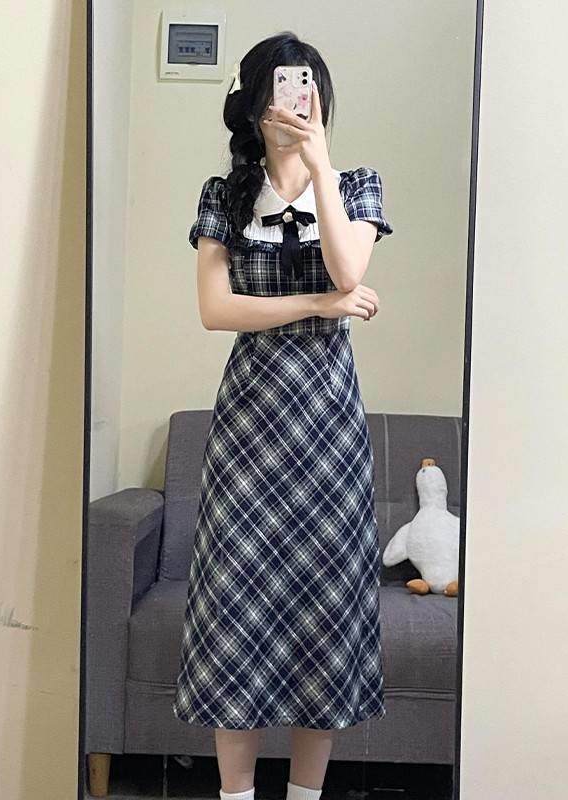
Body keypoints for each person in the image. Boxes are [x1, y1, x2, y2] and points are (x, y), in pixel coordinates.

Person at [172, 31, 394, 800]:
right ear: (253, 104)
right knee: (234, 613)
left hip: (329, 435)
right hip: (248, 433)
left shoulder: (357, 186)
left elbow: (348, 268)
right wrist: (319, 307)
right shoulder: (223, 196)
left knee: (322, 617)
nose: (298, 99)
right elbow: (216, 310)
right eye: (283, 86)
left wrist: (321, 166)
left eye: (309, 86)